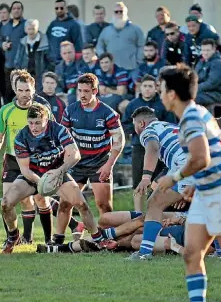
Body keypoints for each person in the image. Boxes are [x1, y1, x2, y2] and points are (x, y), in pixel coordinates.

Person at [155, 64, 221, 302]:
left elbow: (202, 157)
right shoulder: (199, 112)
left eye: (162, 89)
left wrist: (175, 177)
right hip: (206, 191)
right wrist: (196, 181)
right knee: (192, 253)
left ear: (171, 94)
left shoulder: (191, 118)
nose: (160, 95)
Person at [1, 102, 112, 253]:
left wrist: (59, 171)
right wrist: (42, 182)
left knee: (82, 204)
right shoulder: (22, 136)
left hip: (57, 173)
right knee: (6, 203)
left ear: (46, 120)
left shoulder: (59, 130)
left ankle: (99, 240)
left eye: (38, 123)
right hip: (32, 176)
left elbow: (75, 155)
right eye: (31, 123)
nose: (34, 127)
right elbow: (25, 169)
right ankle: (13, 235)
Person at [0, 72, 56, 245]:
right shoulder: (6, 110)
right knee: (6, 203)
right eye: (20, 90)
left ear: (33, 89)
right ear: (15, 90)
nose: (24, 94)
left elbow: (53, 135)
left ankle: (48, 240)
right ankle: (12, 237)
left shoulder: (42, 110)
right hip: (13, 160)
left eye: (27, 90)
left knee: (41, 199)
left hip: (36, 161)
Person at [59, 73, 125, 240]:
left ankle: (108, 239)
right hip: (77, 164)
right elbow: (62, 139)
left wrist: (109, 165)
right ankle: (57, 240)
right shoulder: (70, 110)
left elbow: (119, 141)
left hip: (99, 164)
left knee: (104, 205)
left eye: (86, 91)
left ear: (95, 91)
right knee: (65, 204)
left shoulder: (107, 113)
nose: (82, 95)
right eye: (79, 90)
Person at [124, 106, 195, 260]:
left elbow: (153, 149)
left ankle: (144, 253)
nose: (135, 130)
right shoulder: (170, 126)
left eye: (135, 125)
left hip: (187, 165)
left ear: (141, 123)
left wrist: (145, 178)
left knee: (154, 204)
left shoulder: (148, 131)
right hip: (201, 163)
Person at [122, 75, 176, 210]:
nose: (147, 89)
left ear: (156, 87)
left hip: (162, 148)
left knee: (159, 180)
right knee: (138, 181)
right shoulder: (132, 104)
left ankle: (159, 211)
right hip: (139, 147)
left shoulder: (163, 103)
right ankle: (138, 213)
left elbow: (171, 122)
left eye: (150, 86)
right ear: (141, 87)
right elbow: (124, 125)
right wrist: (137, 131)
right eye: (145, 86)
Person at [13, 19, 54, 92]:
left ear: (37, 29)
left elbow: (51, 61)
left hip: (41, 77)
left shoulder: (45, 42)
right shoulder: (22, 42)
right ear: (25, 30)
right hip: (26, 76)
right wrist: (19, 74)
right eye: (29, 29)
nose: (31, 31)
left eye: (33, 28)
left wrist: (46, 75)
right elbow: (18, 60)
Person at [46, 0, 83, 64]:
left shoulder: (74, 25)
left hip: (66, 63)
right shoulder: (52, 24)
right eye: (56, 8)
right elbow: (47, 41)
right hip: (51, 62)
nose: (59, 10)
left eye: (61, 8)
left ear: (66, 9)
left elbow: (78, 46)